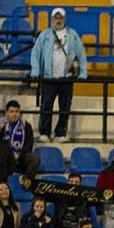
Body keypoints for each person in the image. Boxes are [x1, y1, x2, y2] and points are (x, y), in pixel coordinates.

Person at [30, 8, 87, 142]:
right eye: (56, 18)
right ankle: (45, 132)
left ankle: (60, 133)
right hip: (48, 78)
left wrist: (83, 72)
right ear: (52, 19)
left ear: (64, 19)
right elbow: (36, 53)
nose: (58, 20)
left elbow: (81, 53)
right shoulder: (44, 35)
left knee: (65, 107)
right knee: (46, 106)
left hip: (66, 78)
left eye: (60, 18)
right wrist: (35, 70)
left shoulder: (72, 35)